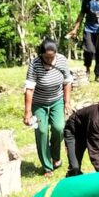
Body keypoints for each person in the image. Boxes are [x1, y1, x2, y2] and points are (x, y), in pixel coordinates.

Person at [23, 38, 72, 174]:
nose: (50, 60)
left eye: (52, 57)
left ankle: (56, 156)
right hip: (39, 103)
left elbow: (67, 82)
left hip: (57, 100)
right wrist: (27, 112)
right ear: (41, 54)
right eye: (46, 57)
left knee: (59, 128)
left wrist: (67, 102)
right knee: (42, 132)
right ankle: (47, 166)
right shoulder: (35, 64)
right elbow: (29, 89)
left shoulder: (62, 60)